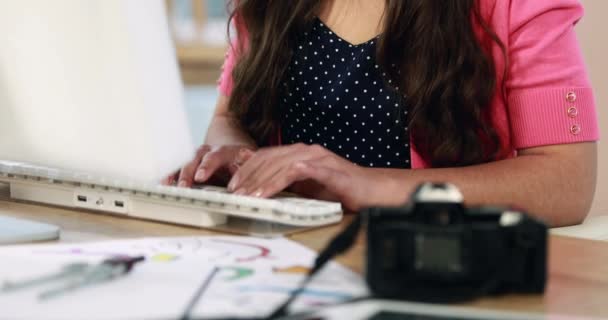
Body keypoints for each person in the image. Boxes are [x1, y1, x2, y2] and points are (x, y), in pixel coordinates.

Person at [166, 0, 599, 227]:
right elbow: (230, 116)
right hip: (292, 269)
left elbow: (568, 182)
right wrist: (238, 159)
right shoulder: (267, 5)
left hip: (433, 277)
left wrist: (365, 186)